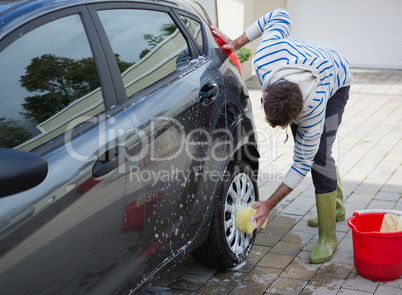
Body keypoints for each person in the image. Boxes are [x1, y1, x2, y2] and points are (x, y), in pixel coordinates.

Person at [211, 8, 353, 264]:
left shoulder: (315, 107)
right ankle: (337, 206)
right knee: (315, 151)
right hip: (303, 61)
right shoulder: (265, 57)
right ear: (266, 93)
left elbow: (301, 163)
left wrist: (268, 204)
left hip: (336, 78)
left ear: (299, 113)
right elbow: (279, 15)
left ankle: (329, 237)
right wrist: (236, 42)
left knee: (319, 158)